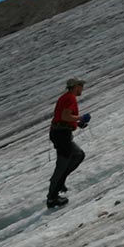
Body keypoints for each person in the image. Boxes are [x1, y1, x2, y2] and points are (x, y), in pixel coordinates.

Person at [47, 77, 90, 209]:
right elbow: (66, 116)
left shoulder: (66, 97)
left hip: (60, 132)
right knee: (63, 164)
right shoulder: (70, 98)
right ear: (75, 86)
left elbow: (63, 117)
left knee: (78, 155)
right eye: (81, 86)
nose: (82, 88)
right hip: (61, 134)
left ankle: (59, 183)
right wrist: (81, 117)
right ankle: (52, 198)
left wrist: (76, 123)